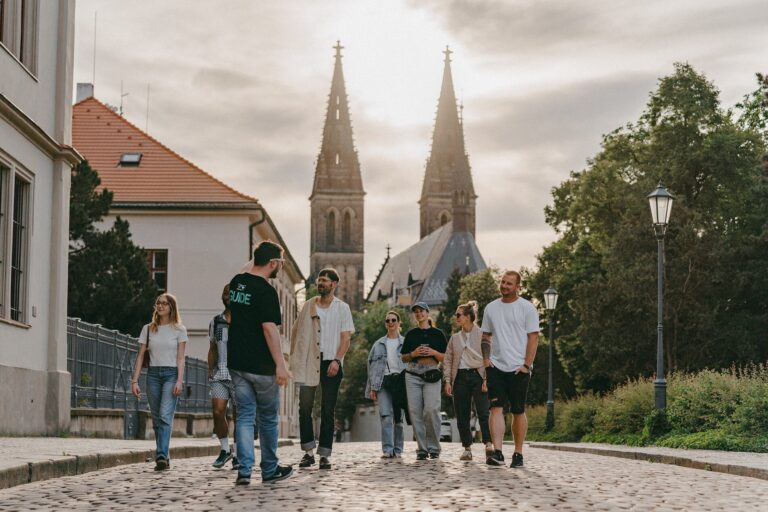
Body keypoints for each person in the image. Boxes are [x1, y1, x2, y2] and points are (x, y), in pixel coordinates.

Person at [228, 240, 293, 485]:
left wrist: (259, 255)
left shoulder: (237, 282)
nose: (281, 267)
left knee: (245, 416)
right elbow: (269, 329)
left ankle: (244, 470)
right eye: (281, 263)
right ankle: (269, 469)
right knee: (267, 418)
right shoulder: (267, 292)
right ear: (273, 263)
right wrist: (280, 365)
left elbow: (248, 268)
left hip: (238, 362)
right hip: (262, 366)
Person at [290, 268, 355, 470]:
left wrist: (337, 360)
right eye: (319, 280)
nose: (320, 283)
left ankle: (325, 454)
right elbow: (297, 333)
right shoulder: (309, 306)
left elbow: (346, 338)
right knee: (305, 408)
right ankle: (308, 453)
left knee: (328, 410)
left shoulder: (342, 308)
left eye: (325, 280)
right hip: (310, 362)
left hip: (331, 362)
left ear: (334, 284)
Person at [481, 270, 540, 468]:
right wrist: (486, 360)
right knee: (496, 409)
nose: (504, 286)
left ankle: (518, 453)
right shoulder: (491, 308)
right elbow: (486, 336)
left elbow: (533, 337)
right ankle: (498, 452)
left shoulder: (527, 308)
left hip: (518, 368)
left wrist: (526, 365)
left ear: (517, 287)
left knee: (518, 410)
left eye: (509, 283)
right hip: (496, 366)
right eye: (503, 282)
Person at [131, 293, 188, 471]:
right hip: (153, 375)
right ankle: (165, 455)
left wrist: (179, 380)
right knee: (156, 419)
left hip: (171, 374)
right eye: (158, 303)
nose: (160, 306)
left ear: (172, 307)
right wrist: (134, 381)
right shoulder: (148, 329)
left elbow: (181, 358)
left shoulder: (179, 329)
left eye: (165, 303)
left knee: (164, 415)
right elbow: (141, 356)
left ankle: (161, 455)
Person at [443, 301, 492, 461]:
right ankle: (467, 448)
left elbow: (490, 357)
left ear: (468, 317)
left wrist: (487, 379)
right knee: (462, 414)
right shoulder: (455, 338)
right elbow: (448, 360)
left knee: (483, 412)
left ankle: (488, 443)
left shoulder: (483, 334)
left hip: (479, 376)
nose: (456, 317)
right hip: (460, 378)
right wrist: (448, 381)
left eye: (459, 315)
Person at [400, 302, 447, 460]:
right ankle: (422, 449)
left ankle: (434, 447)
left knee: (431, 410)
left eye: (421, 311)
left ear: (428, 313)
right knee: (415, 412)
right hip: (413, 374)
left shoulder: (438, 334)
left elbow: (446, 357)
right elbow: (403, 357)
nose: (419, 314)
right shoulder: (411, 334)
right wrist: (413, 354)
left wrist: (433, 352)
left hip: (432, 373)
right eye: (416, 312)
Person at [365, 310, 406, 458]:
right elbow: (370, 367)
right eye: (388, 320)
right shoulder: (378, 344)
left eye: (393, 320)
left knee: (398, 419)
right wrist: (372, 388)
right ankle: (388, 450)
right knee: (386, 416)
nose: (390, 323)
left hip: (400, 384)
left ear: (399, 323)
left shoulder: (405, 343)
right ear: (385, 324)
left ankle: (398, 449)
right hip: (383, 382)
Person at [207, 284, 239, 470]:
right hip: (220, 373)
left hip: (240, 375)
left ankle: (238, 454)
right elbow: (212, 347)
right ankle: (225, 449)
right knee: (218, 412)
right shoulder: (216, 321)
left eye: (231, 293)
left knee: (239, 416)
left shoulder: (245, 320)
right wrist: (210, 369)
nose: (227, 296)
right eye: (225, 293)